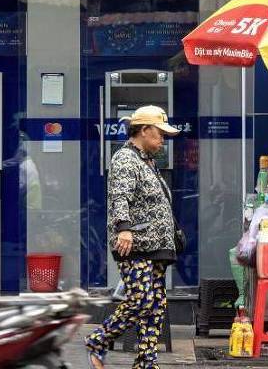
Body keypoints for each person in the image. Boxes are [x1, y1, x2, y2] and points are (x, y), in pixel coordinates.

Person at [85, 105, 182, 369]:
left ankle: (146, 363)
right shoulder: (126, 159)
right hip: (135, 244)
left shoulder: (146, 160)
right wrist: (124, 228)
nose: (163, 139)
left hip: (156, 246)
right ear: (143, 130)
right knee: (142, 300)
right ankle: (98, 341)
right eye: (159, 132)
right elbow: (120, 196)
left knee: (156, 305)